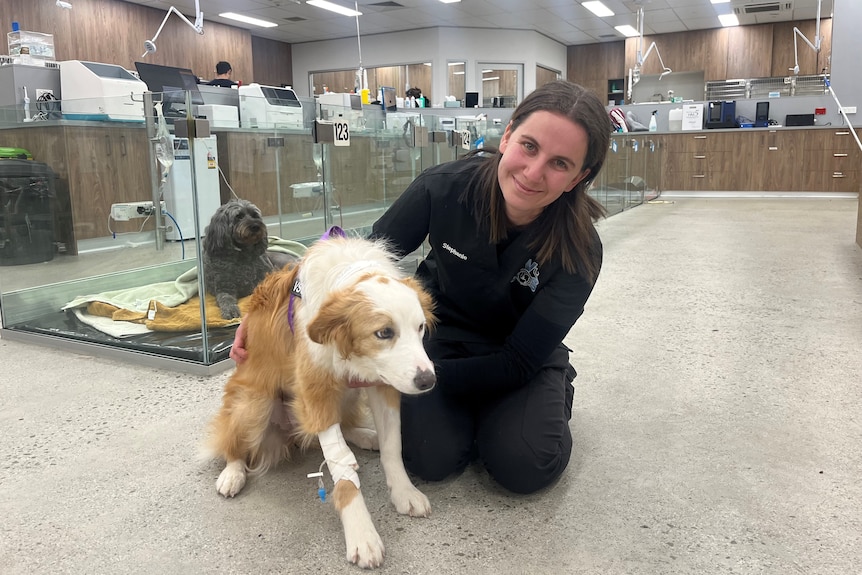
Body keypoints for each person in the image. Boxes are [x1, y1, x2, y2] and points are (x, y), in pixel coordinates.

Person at [230, 80, 610, 495]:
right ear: (507, 136)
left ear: (579, 177)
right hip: (434, 341)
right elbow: (357, 253)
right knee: (431, 460)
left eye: (560, 163)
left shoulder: (581, 251)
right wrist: (275, 306)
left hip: (518, 359)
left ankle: (543, 398)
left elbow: (518, 361)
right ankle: (480, 415)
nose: (533, 173)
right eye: (529, 146)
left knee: (524, 466)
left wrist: (420, 376)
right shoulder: (443, 186)